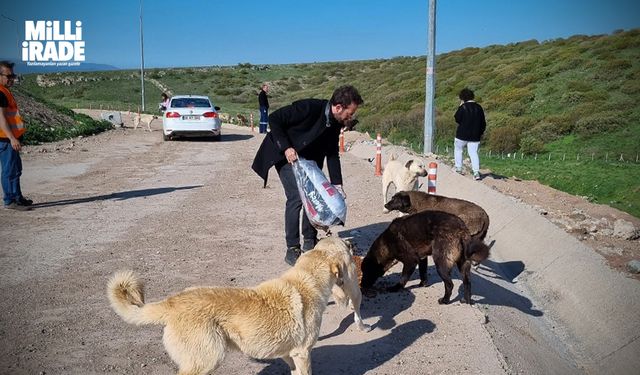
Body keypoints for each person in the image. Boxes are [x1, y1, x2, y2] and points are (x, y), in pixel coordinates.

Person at [252, 85, 363, 265]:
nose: (351, 117)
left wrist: (337, 184)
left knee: (314, 197)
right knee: (297, 196)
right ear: (339, 107)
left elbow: (332, 153)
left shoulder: (336, 123)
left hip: (307, 161)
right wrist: (286, 147)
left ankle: (310, 242)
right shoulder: (310, 108)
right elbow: (274, 119)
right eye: (350, 113)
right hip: (284, 154)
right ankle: (292, 247)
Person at [0, 61, 32, 211]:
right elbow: (1, 118)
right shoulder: (0, 92)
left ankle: (18, 198)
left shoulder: (5, 90)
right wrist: (12, 138)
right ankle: (10, 200)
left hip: (11, 138)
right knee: (10, 170)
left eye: (13, 75)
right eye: (9, 75)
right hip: (6, 139)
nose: (12, 78)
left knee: (16, 169)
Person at [454, 88, 486, 181]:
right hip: (475, 135)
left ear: (462, 98)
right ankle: (476, 173)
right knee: (473, 153)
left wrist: (460, 106)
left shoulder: (463, 107)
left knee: (458, 150)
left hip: (462, 135)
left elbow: (457, 119)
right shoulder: (479, 107)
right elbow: (483, 123)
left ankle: (458, 169)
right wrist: (480, 133)